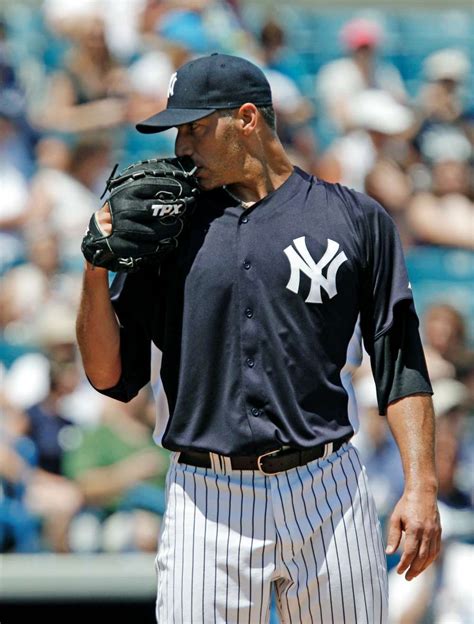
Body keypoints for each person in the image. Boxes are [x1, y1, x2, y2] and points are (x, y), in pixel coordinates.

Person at [76, 53, 441, 622]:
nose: (182, 148)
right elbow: (108, 375)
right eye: (178, 131)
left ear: (247, 119)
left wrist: (420, 486)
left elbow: (401, 363)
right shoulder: (166, 223)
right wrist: (95, 268)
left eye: (196, 128)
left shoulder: (355, 219)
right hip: (206, 495)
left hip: (328, 488)